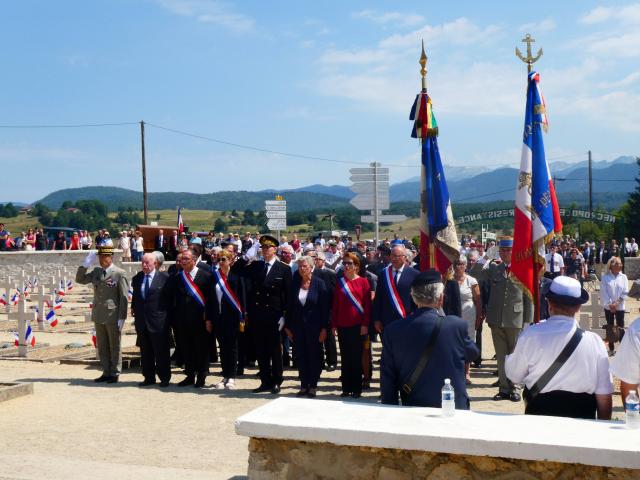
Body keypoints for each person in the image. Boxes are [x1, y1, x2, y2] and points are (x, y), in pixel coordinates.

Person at [505, 276, 613, 419]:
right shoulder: (595, 342)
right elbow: (604, 395)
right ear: (578, 307)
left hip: (539, 418)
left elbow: (514, 376)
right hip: (583, 422)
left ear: (549, 303)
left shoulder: (530, 335)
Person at [381, 270, 479, 408]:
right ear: (440, 298)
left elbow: (388, 379)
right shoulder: (456, 325)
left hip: (413, 405)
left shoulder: (393, 330)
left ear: (413, 298)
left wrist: (390, 409)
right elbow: (472, 353)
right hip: (452, 407)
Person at [232, 235, 292, 394]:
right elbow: (235, 269)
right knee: (261, 349)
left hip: (274, 315)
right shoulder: (256, 266)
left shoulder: (284, 269)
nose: (265, 250)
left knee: (274, 350)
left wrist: (284, 315)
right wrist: (246, 256)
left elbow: (288, 295)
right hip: (257, 314)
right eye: (263, 247)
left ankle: (277, 380)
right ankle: (265, 380)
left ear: (275, 249)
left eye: (268, 247)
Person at [480, 236, 532, 402]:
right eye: (502, 250)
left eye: (508, 250)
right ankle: (503, 389)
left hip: (515, 319)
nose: (504, 253)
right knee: (501, 356)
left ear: (514, 252)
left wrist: (528, 321)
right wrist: (486, 257)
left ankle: (516, 388)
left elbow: (528, 297)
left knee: (515, 356)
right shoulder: (495, 268)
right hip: (496, 318)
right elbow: (475, 272)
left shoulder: (522, 270)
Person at [76, 246, 129, 383]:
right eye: (99, 257)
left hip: (113, 315)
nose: (101, 260)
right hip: (99, 314)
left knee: (114, 345)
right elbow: (80, 279)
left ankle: (115, 372)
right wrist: (85, 264)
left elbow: (123, 297)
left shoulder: (119, 273)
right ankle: (106, 371)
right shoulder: (96, 272)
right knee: (102, 345)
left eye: (104, 257)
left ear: (110, 257)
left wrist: (122, 317)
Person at [285, 256, 330, 398]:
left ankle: (313, 385)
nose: (302, 269)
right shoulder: (294, 283)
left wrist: (324, 328)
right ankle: (304, 385)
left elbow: (325, 308)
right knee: (301, 356)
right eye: (300, 267)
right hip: (297, 327)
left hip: (315, 327)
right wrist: (287, 326)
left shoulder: (319, 283)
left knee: (314, 356)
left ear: (311, 267)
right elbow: (289, 306)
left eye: (305, 266)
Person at [169, 248, 215, 388]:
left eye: (185, 259)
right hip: (183, 320)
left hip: (201, 320)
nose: (182, 262)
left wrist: (209, 319)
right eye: (181, 259)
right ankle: (189, 375)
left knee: (201, 348)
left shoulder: (206, 276)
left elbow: (210, 299)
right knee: (186, 347)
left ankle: (202, 375)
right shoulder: (178, 277)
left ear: (194, 261)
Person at [330, 252, 371, 398]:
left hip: (358, 326)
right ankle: (346, 388)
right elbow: (335, 304)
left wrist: (365, 324)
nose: (346, 266)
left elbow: (367, 306)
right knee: (346, 358)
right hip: (342, 325)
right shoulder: (339, 281)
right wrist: (334, 324)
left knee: (356, 357)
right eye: (345, 263)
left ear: (356, 266)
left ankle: (356, 388)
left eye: (350, 263)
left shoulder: (364, 282)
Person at [131, 253, 172, 387]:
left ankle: (164, 377)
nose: (144, 265)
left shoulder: (165, 278)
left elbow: (170, 300)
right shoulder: (137, 278)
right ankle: (149, 377)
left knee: (161, 352)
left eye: (147, 263)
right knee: (146, 352)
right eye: (142, 263)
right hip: (142, 322)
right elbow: (137, 298)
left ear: (155, 263)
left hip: (159, 322)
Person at [209, 249, 246, 390]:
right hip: (218, 317)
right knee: (223, 348)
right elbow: (211, 299)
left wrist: (242, 316)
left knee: (232, 347)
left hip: (233, 318)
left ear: (230, 260)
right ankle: (225, 375)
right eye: (219, 259)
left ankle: (232, 376)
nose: (220, 262)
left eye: (223, 259)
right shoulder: (214, 276)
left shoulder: (236, 276)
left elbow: (242, 298)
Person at [372, 245, 419, 335]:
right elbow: (378, 298)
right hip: (386, 320)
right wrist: (376, 319)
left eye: (397, 256)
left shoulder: (414, 274)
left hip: (406, 319)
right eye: (392, 255)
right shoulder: (383, 273)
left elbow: (417, 298)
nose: (394, 258)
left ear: (404, 257)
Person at [453, 256, 481, 384]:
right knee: (453, 343)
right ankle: (455, 371)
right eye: (456, 264)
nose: (458, 266)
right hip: (453, 314)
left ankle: (466, 372)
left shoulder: (471, 280)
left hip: (468, 314)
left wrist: (479, 317)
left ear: (465, 266)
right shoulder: (449, 279)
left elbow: (478, 301)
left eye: (461, 264)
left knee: (467, 342)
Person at [600, 256, 629, 355]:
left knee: (620, 326)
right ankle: (611, 348)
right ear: (611, 265)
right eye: (617, 263)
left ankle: (624, 349)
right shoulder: (605, 277)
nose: (620, 265)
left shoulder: (624, 277)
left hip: (620, 307)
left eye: (620, 263)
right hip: (609, 307)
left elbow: (625, 292)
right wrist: (610, 305)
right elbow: (604, 293)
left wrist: (616, 304)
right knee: (610, 327)